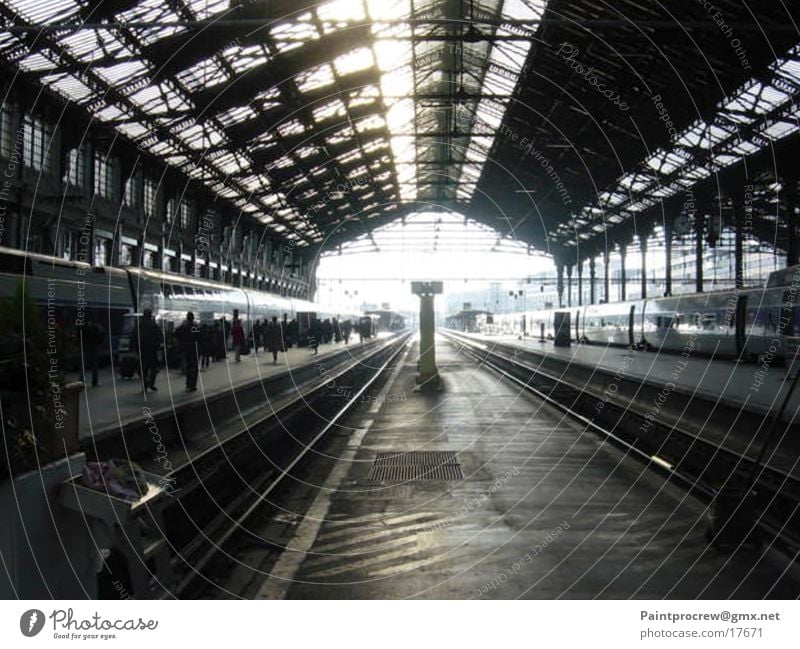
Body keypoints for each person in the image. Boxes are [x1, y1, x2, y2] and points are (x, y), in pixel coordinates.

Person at [134, 309, 161, 393]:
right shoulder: (154, 325)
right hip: (152, 350)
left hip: (142, 350)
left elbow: (134, 337)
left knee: (143, 369)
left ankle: (145, 384)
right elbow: (160, 336)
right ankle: (151, 383)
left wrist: (134, 349)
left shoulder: (139, 326)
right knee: (154, 368)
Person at [175, 311, 201, 391]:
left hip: (186, 349)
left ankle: (188, 383)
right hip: (194, 348)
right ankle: (193, 385)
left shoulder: (183, 327)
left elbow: (175, 333)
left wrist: (181, 341)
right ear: (193, 318)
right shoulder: (195, 327)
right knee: (195, 367)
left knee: (189, 366)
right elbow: (199, 337)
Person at [82, 313, 105, 387]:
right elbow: (101, 336)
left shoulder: (84, 327)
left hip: (86, 346)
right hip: (95, 347)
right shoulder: (97, 327)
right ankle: (94, 382)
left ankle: (81, 381)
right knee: (94, 365)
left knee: (84, 364)